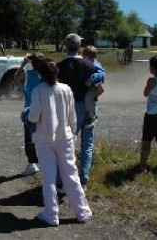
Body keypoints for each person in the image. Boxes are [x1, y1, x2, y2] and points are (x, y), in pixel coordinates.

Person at [28, 58, 92, 226]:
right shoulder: (66, 89)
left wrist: (27, 114)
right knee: (71, 173)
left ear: (40, 74)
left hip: (44, 138)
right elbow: (72, 116)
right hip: (65, 136)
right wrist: (73, 134)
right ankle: (82, 211)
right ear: (57, 73)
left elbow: (33, 117)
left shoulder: (37, 91)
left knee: (49, 176)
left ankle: (51, 214)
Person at [57, 33, 102, 188]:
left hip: (67, 108)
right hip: (86, 106)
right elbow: (100, 88)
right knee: (87, 143)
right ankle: (83, 178)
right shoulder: (89, 66)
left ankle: (61, 180)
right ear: (79, 47)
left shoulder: (60, 66)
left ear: (66, 47)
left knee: (65, 145)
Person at [14, 52, 44, 176]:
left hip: (30, 111)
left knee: (30, 139)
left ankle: (32, 164)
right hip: (45, 111)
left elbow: (16, 77)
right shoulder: (46, 76)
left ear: (32, 63)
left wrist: (23, 64)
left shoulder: (27, 74)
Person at [81, 46, 106, 128]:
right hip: (90, 85)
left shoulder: (95, 64)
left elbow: (101, 74)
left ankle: (92, 117)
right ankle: (91, 114)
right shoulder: (86, 62)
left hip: (93, 84)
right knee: (90, 100)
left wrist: (91, 79)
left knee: (89, 99)